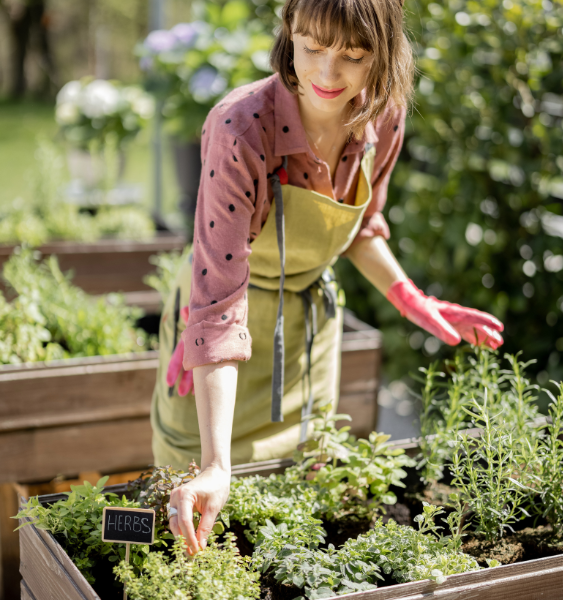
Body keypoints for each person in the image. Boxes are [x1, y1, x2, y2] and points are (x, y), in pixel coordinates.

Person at [155, 0, 504, 554]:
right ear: (289, 32)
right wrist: (216, 463)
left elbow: (361, 225)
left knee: (303, 501)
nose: (326, 73)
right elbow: (219, 304)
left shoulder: (383, 115)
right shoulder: (240, 128)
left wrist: (412, 300)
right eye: (313, 46)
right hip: (218, 340)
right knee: (198, 508)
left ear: (381, 55)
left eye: (353, 55)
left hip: (309, 330)